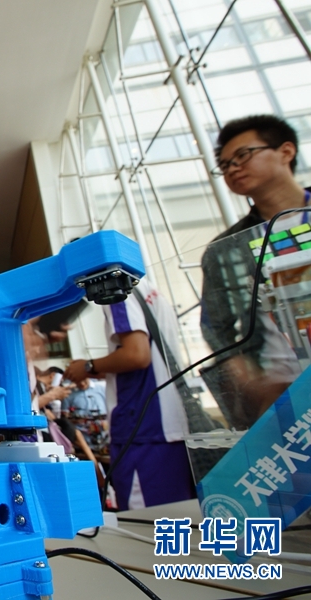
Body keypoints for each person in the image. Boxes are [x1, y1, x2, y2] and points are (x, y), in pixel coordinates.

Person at [201, 114, 305, 429]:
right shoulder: (227, 249)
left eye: (243, 155)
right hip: (283, 388)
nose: (233, 168)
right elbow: (215, 323)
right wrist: (240, 369)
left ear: (286, 151)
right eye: (225, 164)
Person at [65, 280, 194, 510]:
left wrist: (87, 366)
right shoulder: (150, 290)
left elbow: (136, 354)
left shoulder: (114, 286)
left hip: (142, 427)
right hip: (167, 427)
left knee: (147, 527)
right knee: (177, 522)